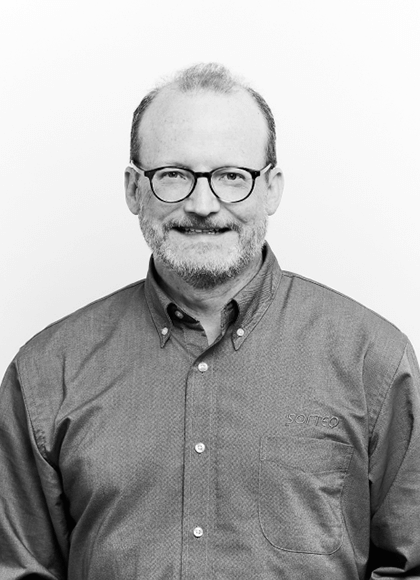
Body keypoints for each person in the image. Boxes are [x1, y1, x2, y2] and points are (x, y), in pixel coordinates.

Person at [0, 63, 419, 580]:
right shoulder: (46, 374)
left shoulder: (373, 360)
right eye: (173, 175)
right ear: (133, 189)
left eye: (231, 177)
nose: (202, 205)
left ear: (272, 189)